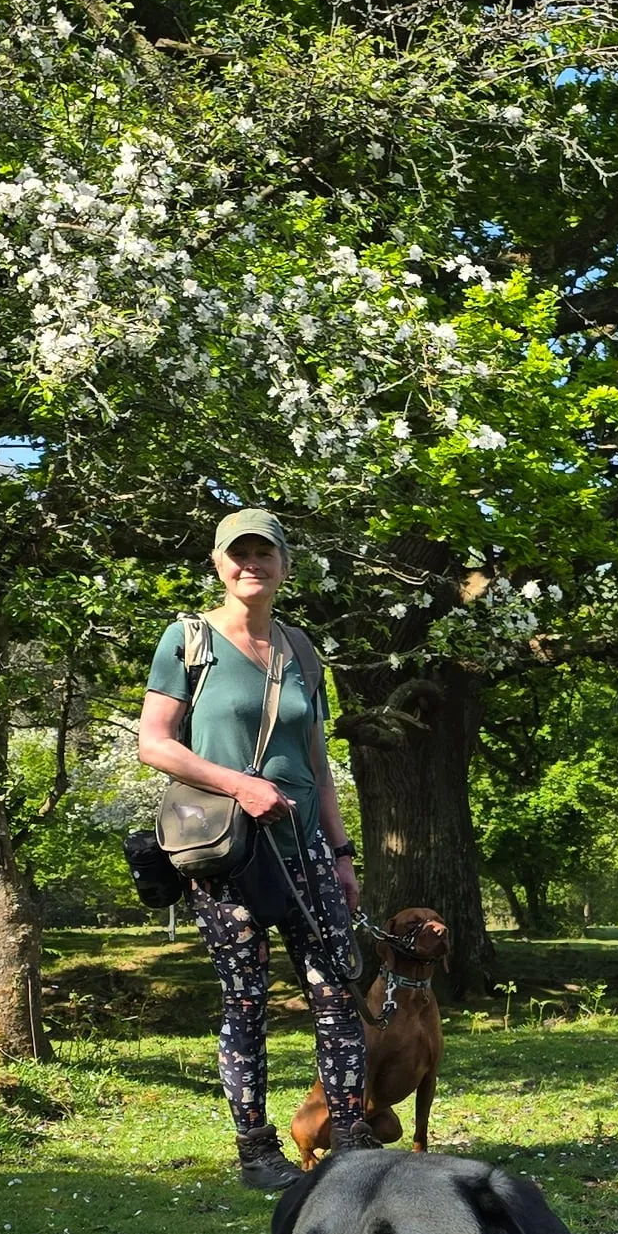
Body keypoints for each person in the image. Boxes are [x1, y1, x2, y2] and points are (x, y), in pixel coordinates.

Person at [138, 509, 374, 1188]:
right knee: (245, 1001)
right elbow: (154, 742)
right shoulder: (188, 641)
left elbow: (318, 760)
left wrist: (342, 852)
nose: (252, 565)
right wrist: (240, 785)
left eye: (264, 554)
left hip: (305, 851)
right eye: (238, 554)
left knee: (337, 995)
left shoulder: (301, 649)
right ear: (218, 564)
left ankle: (352, 1145)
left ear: (283, 566)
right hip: (228, 854)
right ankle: (256, 1152)